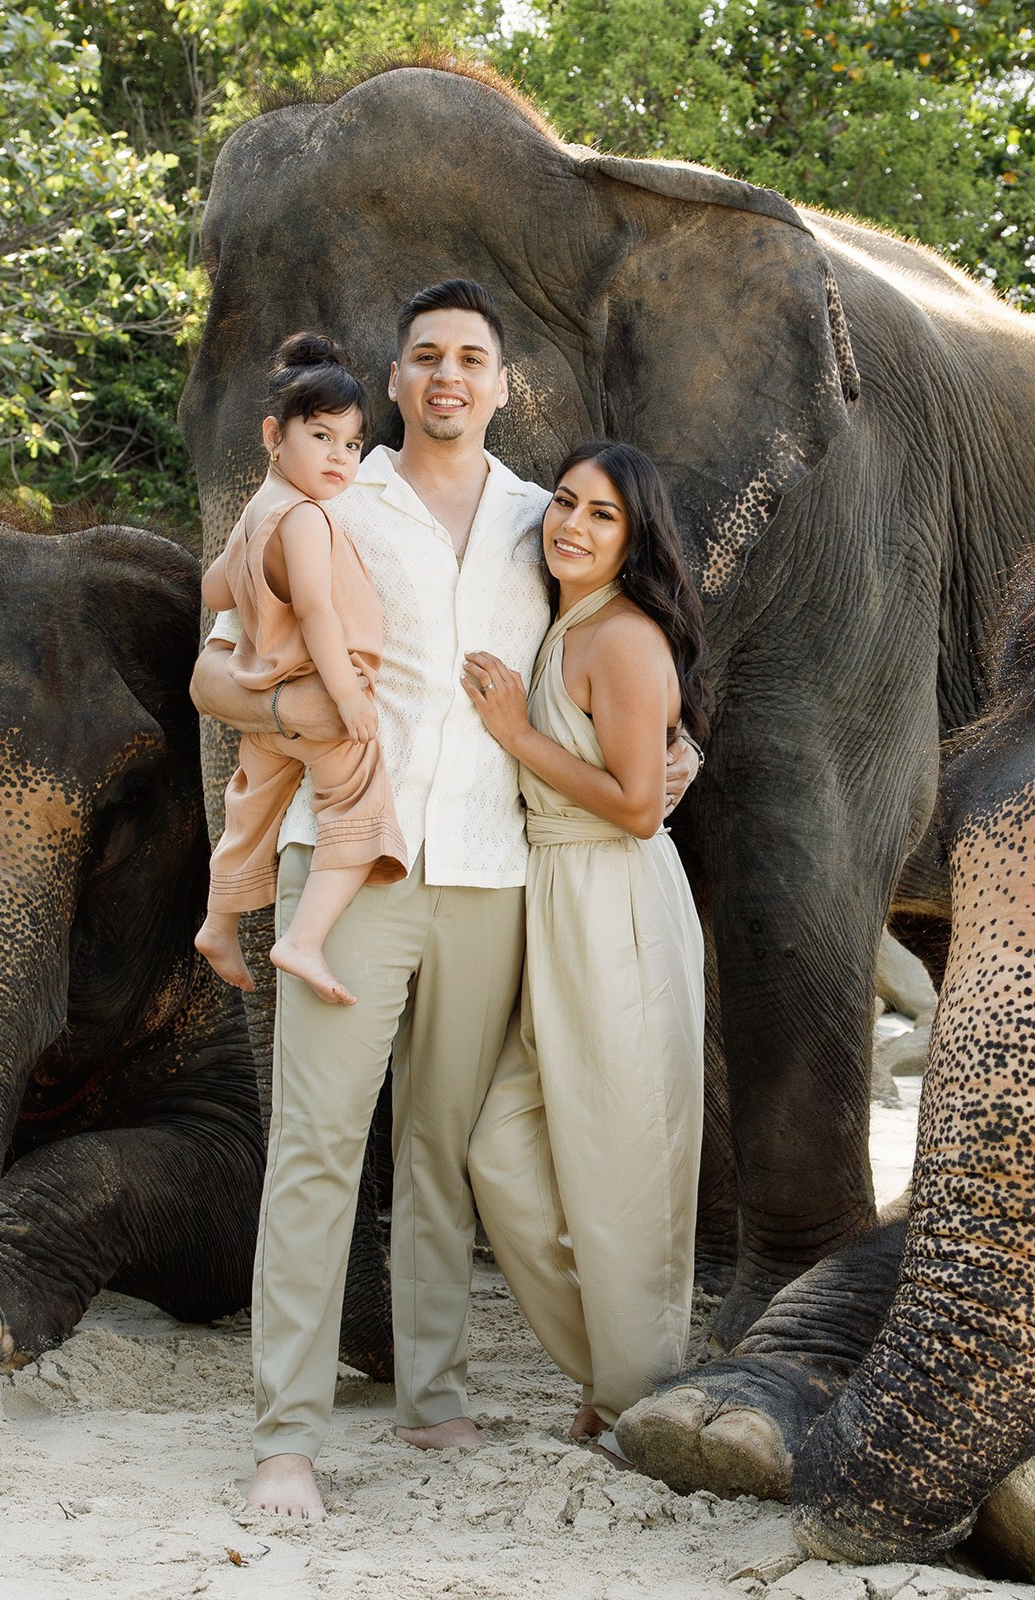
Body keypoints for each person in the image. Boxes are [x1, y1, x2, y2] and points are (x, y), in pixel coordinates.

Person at [188, 281, 701, 1521]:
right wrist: (282, 708)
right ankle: (288, 1434)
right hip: (354, 860)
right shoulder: (329, 499)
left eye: (473, 358)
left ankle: (434, 1396)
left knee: (440, 1152)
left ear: (505, 383)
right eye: (427, 358)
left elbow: (618, 659)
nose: (449, 378)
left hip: (497, 874)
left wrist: (676, 755)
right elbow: (214, 666)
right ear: (398, 376)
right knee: (315, 1145)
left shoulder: (547, 521)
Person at [463, 441, 709, 1446]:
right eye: (564, 502)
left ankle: (635, 1397)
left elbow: (642, 809)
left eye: (602, 515)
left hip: (619, 908)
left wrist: (518, 736)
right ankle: (627, 1378)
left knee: (624, 1170)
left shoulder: (622, 637)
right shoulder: (560, 620)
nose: (571, 524)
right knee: (501, 1153)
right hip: (556, 897)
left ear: (634, 537)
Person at [194, 332, 407, 1004]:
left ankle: (219, 921)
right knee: (357, 802)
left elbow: (215, 591)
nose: (340, 458)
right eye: (321, 437)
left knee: (249, 810)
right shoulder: (308, 520)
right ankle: (305, 938)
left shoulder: (259, 510)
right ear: (273, 435)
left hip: (264, 688)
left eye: (351, 443)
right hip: (317, 694)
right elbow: (316, 613)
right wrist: (347, 700)